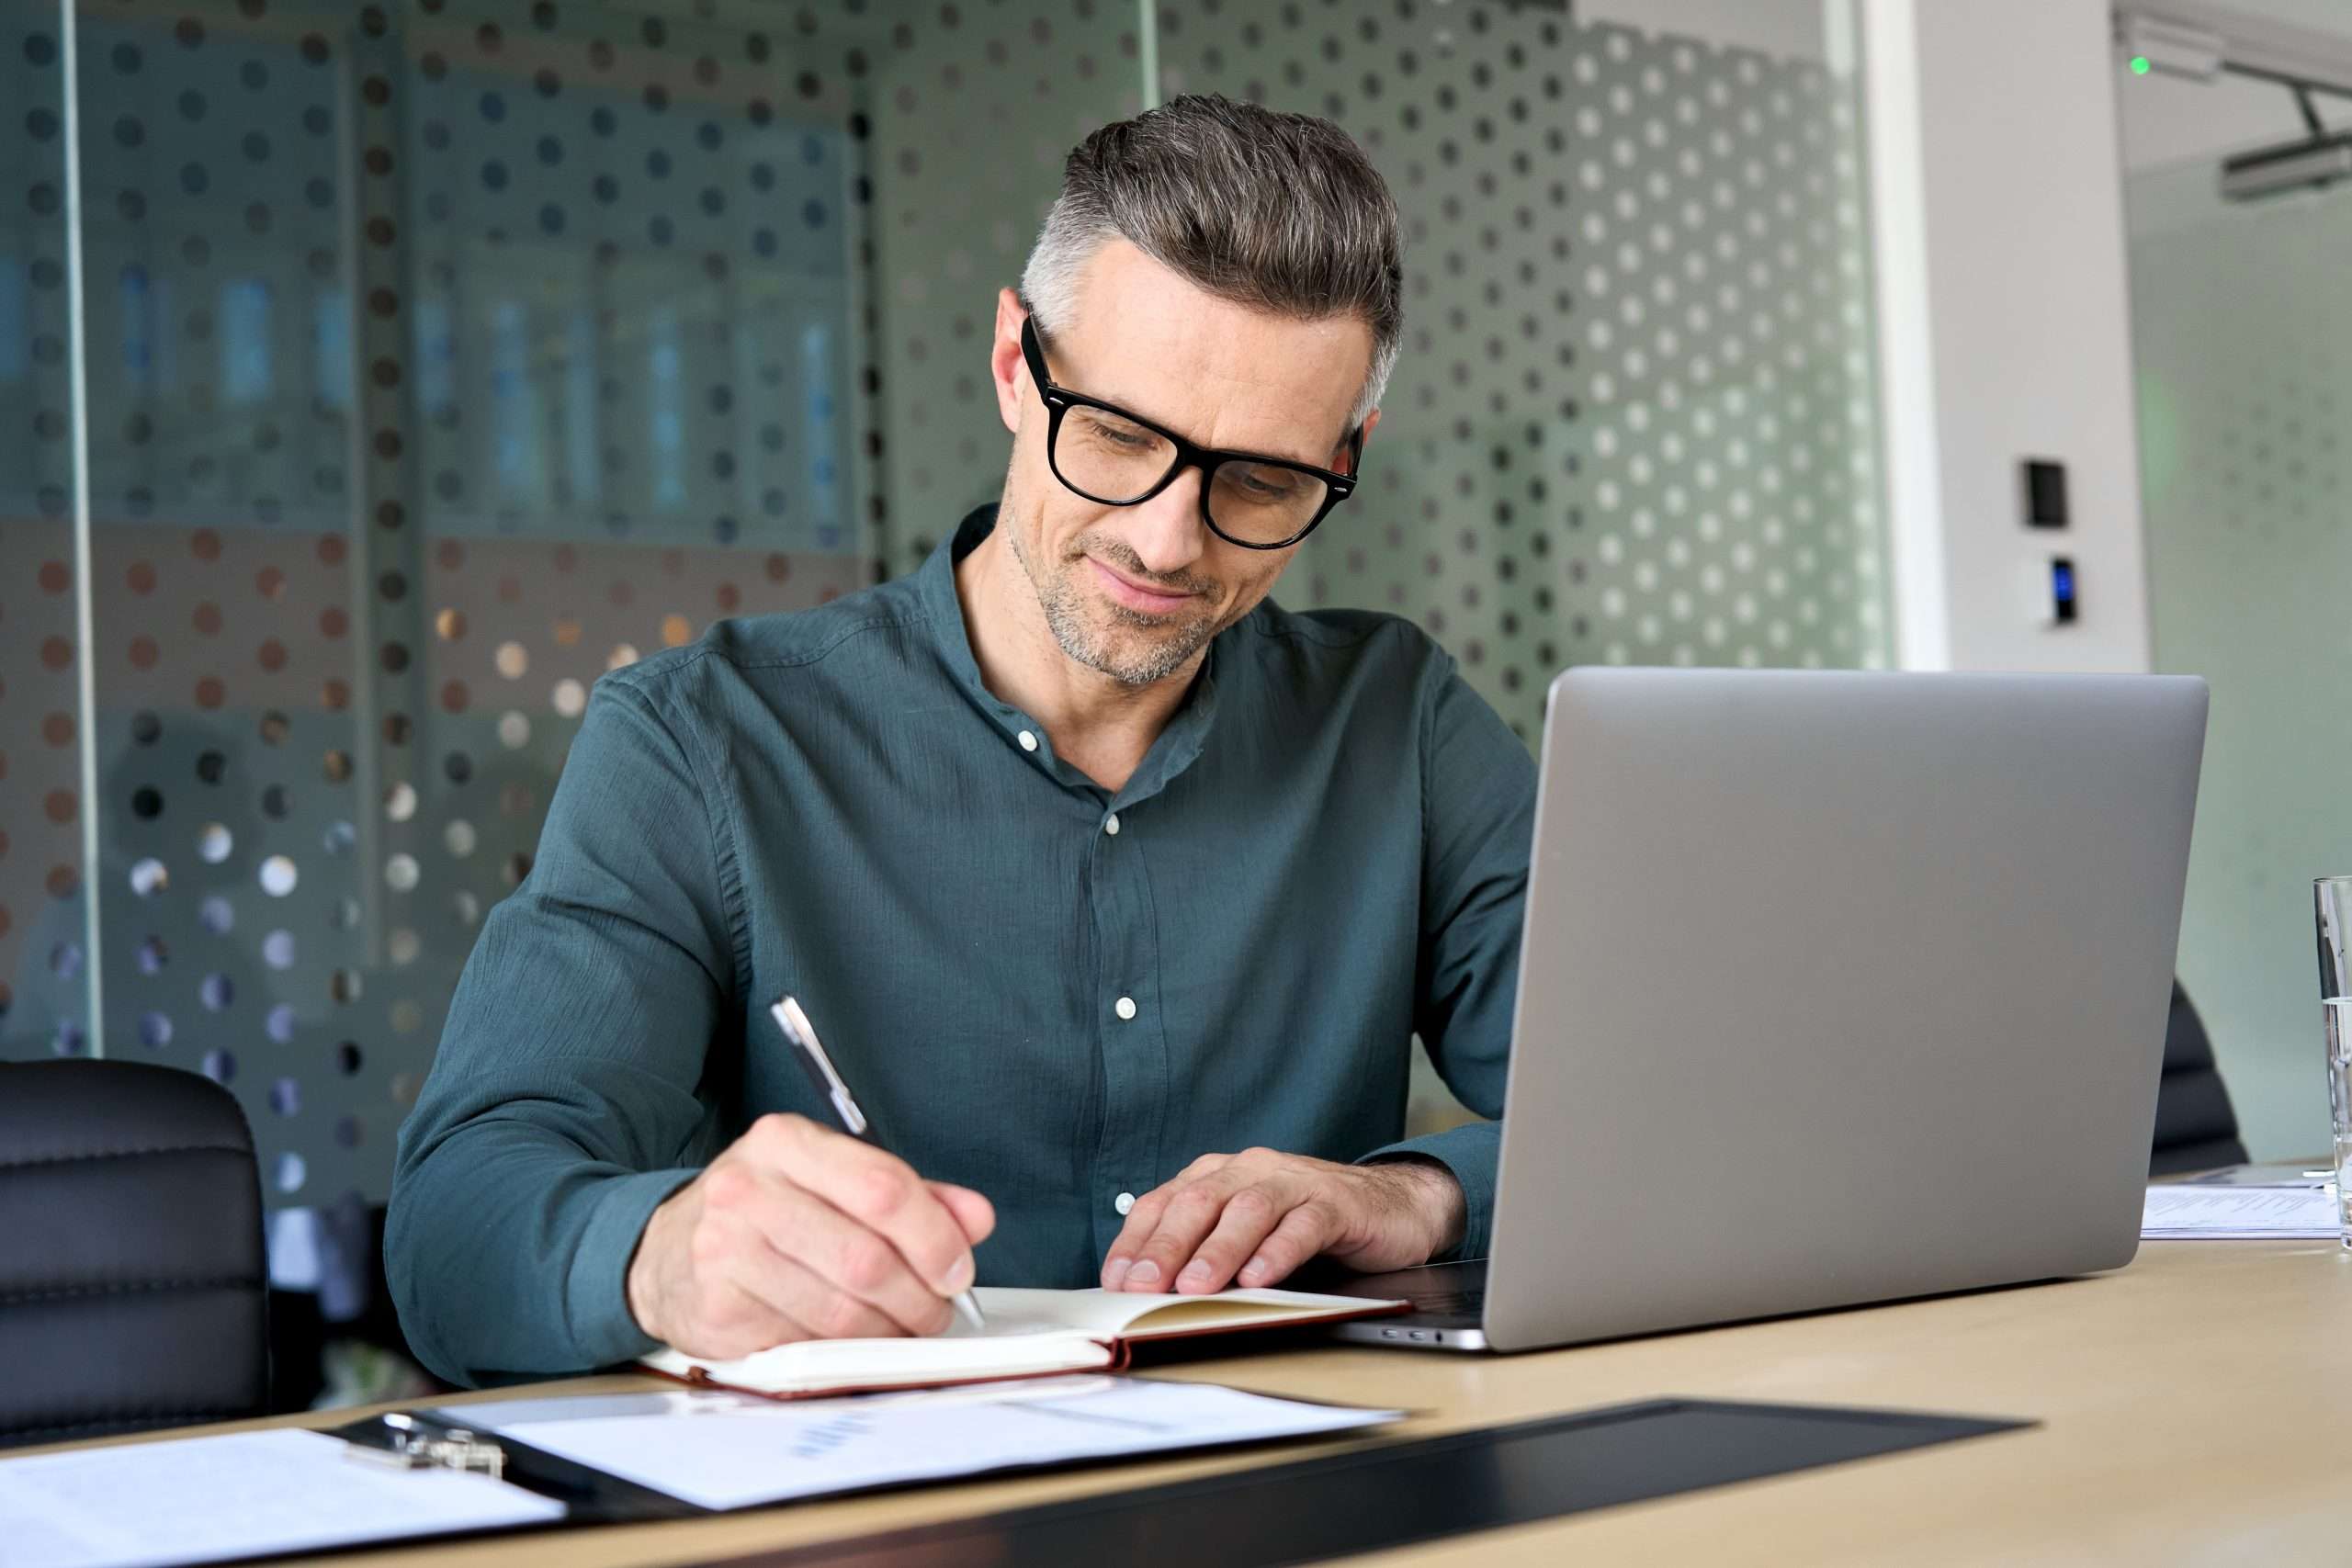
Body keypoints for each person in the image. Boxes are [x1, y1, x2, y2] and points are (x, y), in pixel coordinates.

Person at [386, 94, 1535, 1387]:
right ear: (1012, 362)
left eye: (1261, 482)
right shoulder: (701, 744)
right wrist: (657, 1255)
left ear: (1347, 456)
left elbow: (1675, 1125)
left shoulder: (1401, 725)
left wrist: (1424, 1194)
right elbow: (454, 1232)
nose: (1167, 542)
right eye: (1117, 436)